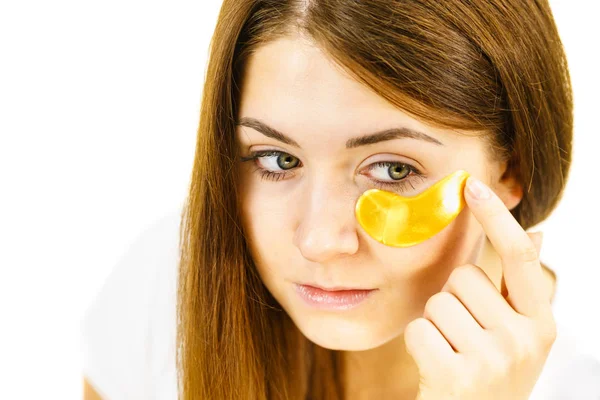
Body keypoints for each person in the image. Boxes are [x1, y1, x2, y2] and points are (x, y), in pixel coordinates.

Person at [81, 0, 600, 399]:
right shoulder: (164, 284)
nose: (320, 241)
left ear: (513, 169)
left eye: (394, 170)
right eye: (278, 160)